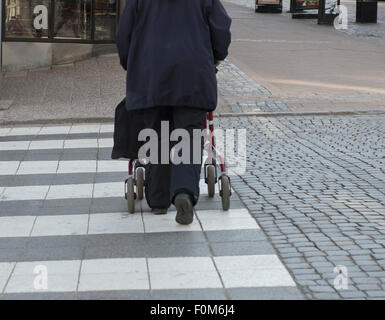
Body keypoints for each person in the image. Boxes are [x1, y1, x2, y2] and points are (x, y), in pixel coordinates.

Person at [116, 0, 231, 225]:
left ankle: (158, 201)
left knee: (157, 136)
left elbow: (124, 34)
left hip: (150, 76)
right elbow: (221, 27)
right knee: (188, 137)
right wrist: (217, 55)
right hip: (193, 74)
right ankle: (183, 193)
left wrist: (132, 63)